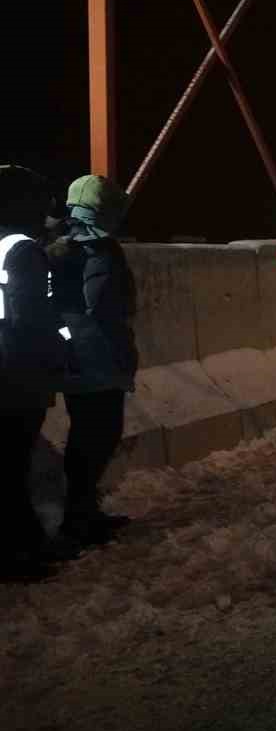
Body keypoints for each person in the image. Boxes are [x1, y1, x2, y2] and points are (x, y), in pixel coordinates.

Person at [49, 174, 140, 547]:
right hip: (98, 356)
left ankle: (82, 512)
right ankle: (79, 517)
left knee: (84, 435)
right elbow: (102, 303)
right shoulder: (100, 248)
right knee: (100, 435)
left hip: (69, 357)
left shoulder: (53, 244)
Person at [0, 166, 74, 580]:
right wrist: (62, 349)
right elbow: (33, 315)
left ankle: (22, 544)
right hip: (18, 371)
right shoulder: (24, 250)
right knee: (13, 466)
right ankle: (18, 553)